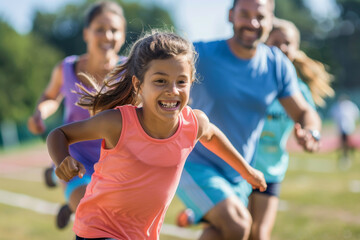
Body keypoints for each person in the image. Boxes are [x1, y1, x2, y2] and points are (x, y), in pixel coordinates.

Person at [46, 31, 267, 240]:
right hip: (97, 229)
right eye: (160, 81)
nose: (172, 90)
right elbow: (59, 134)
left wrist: (247, 172)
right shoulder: (117, 123)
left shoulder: (193, 123)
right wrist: (62, 160)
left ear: (191, 83)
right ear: (138, 84)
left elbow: (211, 136)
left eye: (181, 81)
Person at [175, 0, 322, 239]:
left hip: (239, 172)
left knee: (218, 233)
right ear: (231, 15)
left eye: (260, 16)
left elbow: (304, 112)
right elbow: (154, 70)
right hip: (195, 165)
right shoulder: (200, 54)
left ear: (270, 20)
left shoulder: (277, 65)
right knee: (239, 225)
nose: (252, 23)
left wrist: (312, 132)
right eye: (245, 14)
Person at [27, 0, 127, 229]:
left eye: (114, 30)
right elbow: (51, 97)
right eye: (100, 29)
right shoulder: (67, 68)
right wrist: (40, 114)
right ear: (86, 33)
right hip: (74, 158)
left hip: (115, 162)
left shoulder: (130, 72)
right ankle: (63, 184)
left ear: (122, 36)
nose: (107, 35)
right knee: (93, 213)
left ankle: (62, 194)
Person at [248, 18, 334, 240]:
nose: (282, 48)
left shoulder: (298, 90)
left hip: (272, 171)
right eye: (276, 41)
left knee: (260, 233)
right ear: (264, 43)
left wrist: (310, 137)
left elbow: (310, 120)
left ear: (296, 50)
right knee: (238, 229)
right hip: (242, 166)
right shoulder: (249, 78)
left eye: (288, 43)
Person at [330, 94, 359, 169]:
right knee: (344, 143)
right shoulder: (344, 106)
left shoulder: (347, 106)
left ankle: (346, 156)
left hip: (347, 128)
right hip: (345, 128)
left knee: (345, 143)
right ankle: (346, 155)